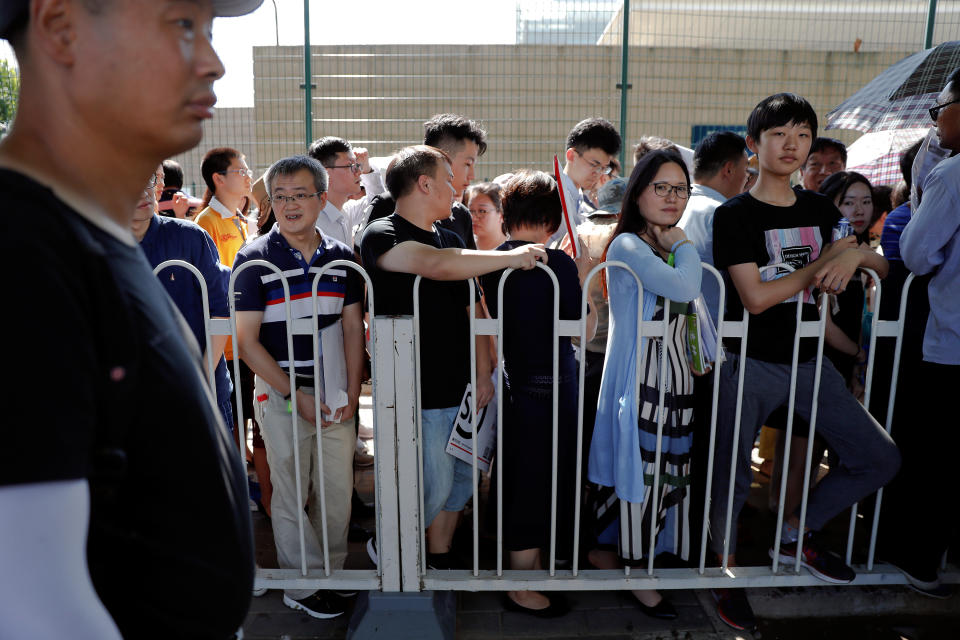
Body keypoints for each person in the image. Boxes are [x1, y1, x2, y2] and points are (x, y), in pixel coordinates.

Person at [0, 1, 260, 638]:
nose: (213, 60)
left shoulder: (83, 233)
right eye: (180, 25)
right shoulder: (21, 250)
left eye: (210, 29)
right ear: (61, 28)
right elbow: (29, 604)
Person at [708, 93, 899, 631]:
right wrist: (822, 265)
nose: (791, 145)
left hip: (812, 365)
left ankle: (795, 533)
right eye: (778, 134)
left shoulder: (821, 210)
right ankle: (719, 574)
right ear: (753, 145)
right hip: (746, 363)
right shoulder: (734, 215)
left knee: (878, 457)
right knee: (730, 481)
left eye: (802, 135)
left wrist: (857, 254)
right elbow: (756, 298)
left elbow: (880, 268)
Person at [359, 145, 545, 569]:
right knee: (434, 485)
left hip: (460, 387)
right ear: (424, 183)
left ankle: (433, 561)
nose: (456, 186)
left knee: (461, 485)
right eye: (447, 178)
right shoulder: (382, 233)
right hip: (415, 388)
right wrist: (511, 258)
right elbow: (436, 266)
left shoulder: (450, 237)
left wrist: (483, 373)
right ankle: (388, 548)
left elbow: (471, 307)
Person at [234, 155, 365, 620]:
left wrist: (350, 390)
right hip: (281, 394)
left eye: (300, 195)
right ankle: (300, 584)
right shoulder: (253, 259)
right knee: (290, 492)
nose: (290, 205)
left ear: (321, 198)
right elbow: (247, 343)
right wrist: (294, 393)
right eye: (281, 196)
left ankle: (327, 575)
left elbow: (353, 328)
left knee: (336, 491)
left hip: (334, 392)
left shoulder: (342, 257)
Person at [588, 149, 702, 620]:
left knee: (661, 474)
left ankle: (622, 557)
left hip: (675, 384)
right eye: (662, 187)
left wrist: (678, 245)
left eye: (680, 189)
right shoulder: (629, 245)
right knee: (641, 476)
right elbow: (684, 287)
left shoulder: (667, 245)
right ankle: (634, 571)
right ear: (638, 193)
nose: (672, 198)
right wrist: (684, 245)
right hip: (642, 384)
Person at [479, 170, 595, 617]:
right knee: (542, 480)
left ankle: (526, 568)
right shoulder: (557, 263)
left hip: (512, 383)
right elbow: (582, 330)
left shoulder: (489, 261)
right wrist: (583, 278)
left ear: (507, 215)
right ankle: (522, 583)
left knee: (518, 476)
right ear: (552, 220)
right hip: (554, 385)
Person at [884, 67, 960, 598]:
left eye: (941, 109)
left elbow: (915, 252)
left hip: (950, 343)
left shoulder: (955, 176)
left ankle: (918, 560)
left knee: (934, 458)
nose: (934, 120)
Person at [132, 168, 233, 434]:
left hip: (204, 393)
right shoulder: (99, 246)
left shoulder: (190, 237)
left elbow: (221, 313)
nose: (141, 190)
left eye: (148, 180)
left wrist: (200, 380)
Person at [365, 113, 486, 249]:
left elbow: (466, 266)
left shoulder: (461, 215)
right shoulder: (388, 205)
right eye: (468, 164)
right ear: (441, 156)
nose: (472, 175)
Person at [679, 130, 749, 318]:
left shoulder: (675, 206)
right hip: (716, 331)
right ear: (728, 170)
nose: (747, 178)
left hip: (677, 326)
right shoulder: (724, 213)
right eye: (746, 170)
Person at [549, 117, 622, 245]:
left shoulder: (582, 201)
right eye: (594, 165)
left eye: (603, 168)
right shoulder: (550, 198)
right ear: (571, 156)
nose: (598, 174)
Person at [307, 136, 384, 250]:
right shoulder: (311, 224)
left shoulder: (343, 212)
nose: (359, 172)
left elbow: (379, 205)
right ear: (325, 174)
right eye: (351, 166)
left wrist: (368, 170)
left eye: (357, 165)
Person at [195, 146, 253, 267]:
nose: (249, 178)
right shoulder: (206, 222)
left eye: (248, 172)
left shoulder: (241, 221)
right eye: (242, 172)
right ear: (218, 179)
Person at [465, 182, 507, 250]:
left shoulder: (515, 252)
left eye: (482, 211)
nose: (473, 218)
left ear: (501, 215)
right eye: (471, 211)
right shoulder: (461, 248)